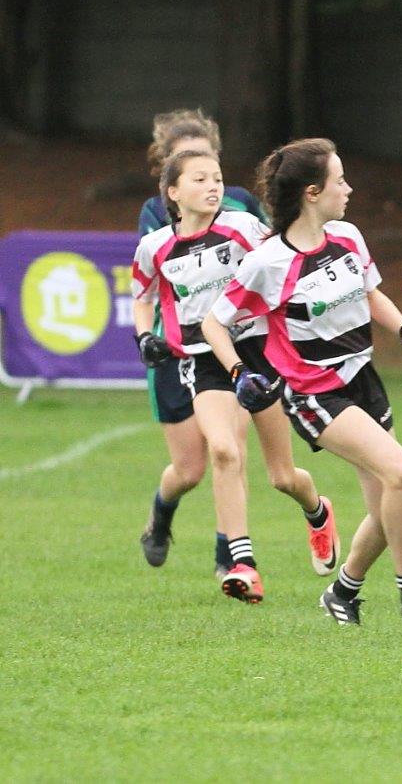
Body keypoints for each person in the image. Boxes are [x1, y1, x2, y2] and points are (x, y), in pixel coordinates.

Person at [204, 138, 402, 629]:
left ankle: (342, 592)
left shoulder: (348, 237)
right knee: (401, 473)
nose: (349, 188)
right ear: (313, 193)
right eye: (340, 180)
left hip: (364, 380)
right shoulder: (267, 262)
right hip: (315, 394)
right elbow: (215, 323)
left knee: (386, 511)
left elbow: (371, 292)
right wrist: (238, 373)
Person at [132, 149, 340, 603]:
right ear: (173, 192)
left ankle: (318, 510)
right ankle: (242, 563)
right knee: (224, 451)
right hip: (204, 361)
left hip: (259, 353)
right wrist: (144, 336)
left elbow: (282, 260)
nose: (214, 186)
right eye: (200, 179)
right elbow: (142, 294)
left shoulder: (242, 227)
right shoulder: (155, 247)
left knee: (283, 477)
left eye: (218, 178)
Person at [137, 108, 267, 578]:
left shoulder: (242, 207)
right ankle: (160, 516)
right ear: (169, 176)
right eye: (190, 168)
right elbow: (149, 284)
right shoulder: (155, 217)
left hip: (234, 344)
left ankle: (230, 555)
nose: (207, 183)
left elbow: (273, 257)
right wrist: (146, 336)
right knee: (189, 469)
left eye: (211, 167)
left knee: (231, 446)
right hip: (177, 349)